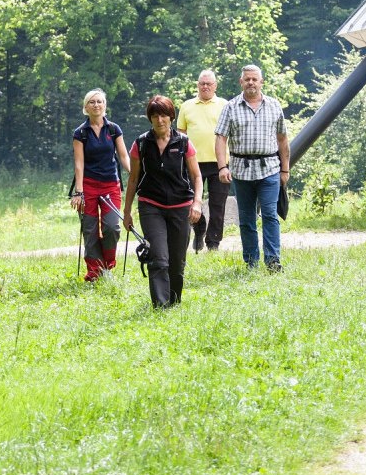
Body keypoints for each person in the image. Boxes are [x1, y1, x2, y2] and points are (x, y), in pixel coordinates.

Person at [123, 96, 203, 307]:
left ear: (171, 117)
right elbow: (132, 179)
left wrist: (197, 203)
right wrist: (127, 210)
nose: (160, 120)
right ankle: (160, 305)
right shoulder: (140, 144)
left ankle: (174, 302)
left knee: (177, 262)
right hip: (151, 205)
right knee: (159, 258)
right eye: (155, 116)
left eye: (164, 115)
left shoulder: (184, 142)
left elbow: (196, 176)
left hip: (181, 206)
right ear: (150, 118)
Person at [215, 64, 290, 272]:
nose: (251, 83)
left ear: (261, 82)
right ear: (241, 82)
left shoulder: (274, 106)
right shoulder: (230, 107)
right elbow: (221, 138)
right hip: (241, 170)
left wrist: (285, 169)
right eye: (247, 79)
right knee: (247, 219)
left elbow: (283, 140)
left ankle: (273, 260)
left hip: (269, 169)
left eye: (254, 79)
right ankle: (251, 262)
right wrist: (222, 167)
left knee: (269, 215)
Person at [70, 88, 131, 282]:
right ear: (86, 107)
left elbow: (123, 156)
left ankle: (107, 265)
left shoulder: (114, 129)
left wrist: (136, 175)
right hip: (87, 186)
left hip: (110, 185)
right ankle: (94, 271)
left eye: (99, 102)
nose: (96, 105)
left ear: (105, 105)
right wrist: (78, 192)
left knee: (112, 227)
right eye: (92, 102)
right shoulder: (81, 133)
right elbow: (79, 163)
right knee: (89, 229)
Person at [178, 69, 229, 252]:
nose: (205, 86)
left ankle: (213, 243)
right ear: (198, 85)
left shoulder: (225, 105)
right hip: (192, 163)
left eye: (209, 83)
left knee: (218, 204)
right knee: (190, 202)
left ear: (215, 86)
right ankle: (199, 229)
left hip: (220, 163)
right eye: (202, 83)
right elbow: (180, 135)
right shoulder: (187, 106)